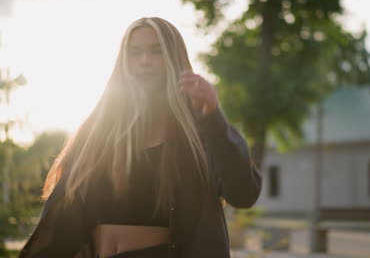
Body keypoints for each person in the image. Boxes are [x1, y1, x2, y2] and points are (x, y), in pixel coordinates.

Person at [19, 17, 262, 258]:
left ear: (173, 58)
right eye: (134, 52)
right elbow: (61, 213)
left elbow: (243, 193)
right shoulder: (99, 132)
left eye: (156, 51)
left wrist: (214, 118)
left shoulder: (199, 132)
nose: (144, 61)